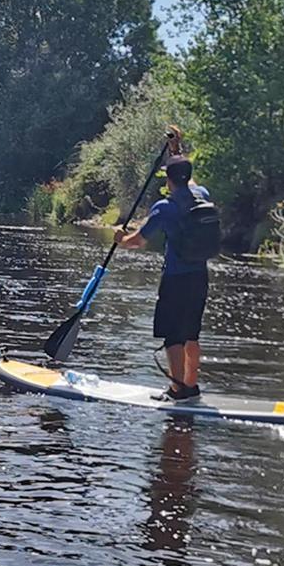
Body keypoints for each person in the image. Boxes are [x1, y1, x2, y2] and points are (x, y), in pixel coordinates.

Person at [112, 152, 211, 401]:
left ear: (168, 180)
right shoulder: (203, 196)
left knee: (173, 337)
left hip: (176, 279)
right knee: (192, 334)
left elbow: (137, 241)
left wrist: (119, 239)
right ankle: (191, 386)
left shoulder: (164, 208)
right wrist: (177, 149)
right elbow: (190, 183)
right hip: (200, 276)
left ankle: (177, 391)